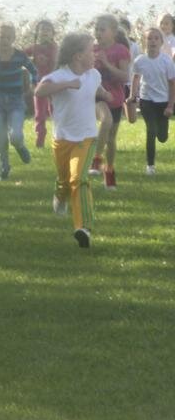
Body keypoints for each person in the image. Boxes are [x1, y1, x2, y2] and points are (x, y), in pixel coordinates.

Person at [35, 32, 112, 249]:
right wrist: (66, 84)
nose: (95, 54)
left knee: (79, 179)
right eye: (91, 51)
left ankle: (83, 228)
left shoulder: (94, 74)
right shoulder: (59, 76)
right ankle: (60, 196)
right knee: (64, 181)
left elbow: (96, 88)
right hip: (62, 139)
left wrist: (105, 95)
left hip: (86, 138)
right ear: (78, 56)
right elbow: (40, 91)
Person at [0, 23, 38, 181]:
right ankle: (4, 168)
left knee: (15, 136)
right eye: (1, 37)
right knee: (0, 140)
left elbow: (33, 70)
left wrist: (34, 84)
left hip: (15, 101)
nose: (4, 40)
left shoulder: (20, 56)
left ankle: (20, 146)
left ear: (13, 39)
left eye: (8, 37)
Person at [88, 14, 131, 190]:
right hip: (97, 96)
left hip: (116, 98)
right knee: (106, 120)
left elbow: (125, 77)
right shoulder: (91, 49)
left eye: (102, 29)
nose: (98, 32)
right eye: (96, 29)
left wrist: (106, 63)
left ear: (113, 32)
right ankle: (96, 159)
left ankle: (109, 170)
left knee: (111, 139)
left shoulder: (121, 50)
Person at [128, 26, 175, 175]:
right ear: (144, 41)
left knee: (162, 137)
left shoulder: (167, 61)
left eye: (156, 38)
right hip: (146, 100)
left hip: (163, 102)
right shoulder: (140, 60)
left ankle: (162, 132)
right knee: (151, 130)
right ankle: (150, 166)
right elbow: (136, 78)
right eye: (149, 38)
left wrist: (170, 106)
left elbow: (172, 83)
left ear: (161, 42)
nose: (152, 41)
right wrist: (133, 95)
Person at [24, 19, 59, 148]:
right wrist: (30, 62)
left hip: (53, 84)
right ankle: (40, 138)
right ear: (37, 33)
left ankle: (59, 137)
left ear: (52, 34)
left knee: (55, 111)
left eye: (48, 30)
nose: (45, 32)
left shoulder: (54, 47)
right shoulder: (34, 48)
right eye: (42, 29)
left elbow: (56, 63)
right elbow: (21, 55)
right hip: (38, 84)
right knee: (40, 113)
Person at [119, 17, 141, 123]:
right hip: (118, 83)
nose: (122, 31)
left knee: (132, 119)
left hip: (130, 83)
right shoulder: (113, 46)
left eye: (124, 28)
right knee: (116, 113)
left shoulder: (134, 46)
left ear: (129, 30)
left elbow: (138, 65)